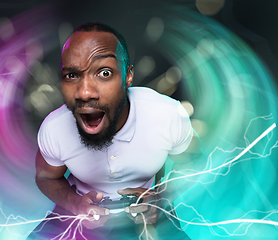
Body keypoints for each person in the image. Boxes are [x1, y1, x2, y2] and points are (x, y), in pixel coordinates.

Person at [28, 22, 193, 240]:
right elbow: (46, 177)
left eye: (104, 73)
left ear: (128, 76)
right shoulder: (55, 127)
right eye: (72, 75)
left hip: (150, 208)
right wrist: (73, 202)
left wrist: (161, 197)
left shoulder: (168, 114)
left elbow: (191, 165)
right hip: (79, 207)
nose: (85, 92)